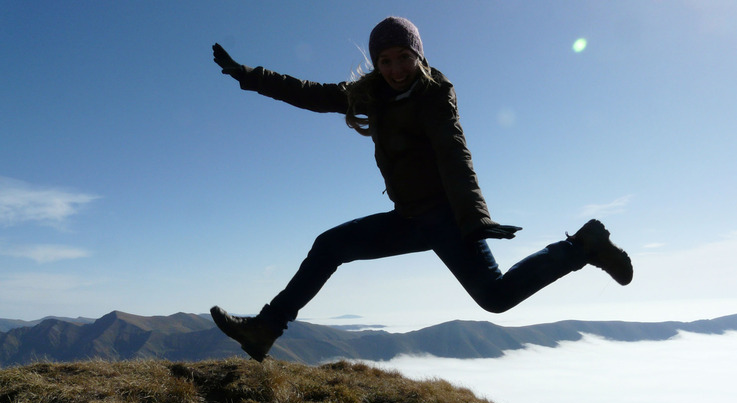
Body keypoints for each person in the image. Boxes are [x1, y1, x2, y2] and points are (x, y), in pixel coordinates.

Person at [210, 17, 633, 362]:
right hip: (409, 219)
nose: (395, 69)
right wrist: (248, 75)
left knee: (496, 298)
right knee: (329, 245)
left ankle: (583, 246)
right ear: (376, 63)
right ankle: (265, 329)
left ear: (419, 55)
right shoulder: (368, 93)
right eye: (386, 60)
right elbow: (309, 94)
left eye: (404, 58)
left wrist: (475, 218)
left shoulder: (435, 96)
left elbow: (455, 155)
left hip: (446, 217)